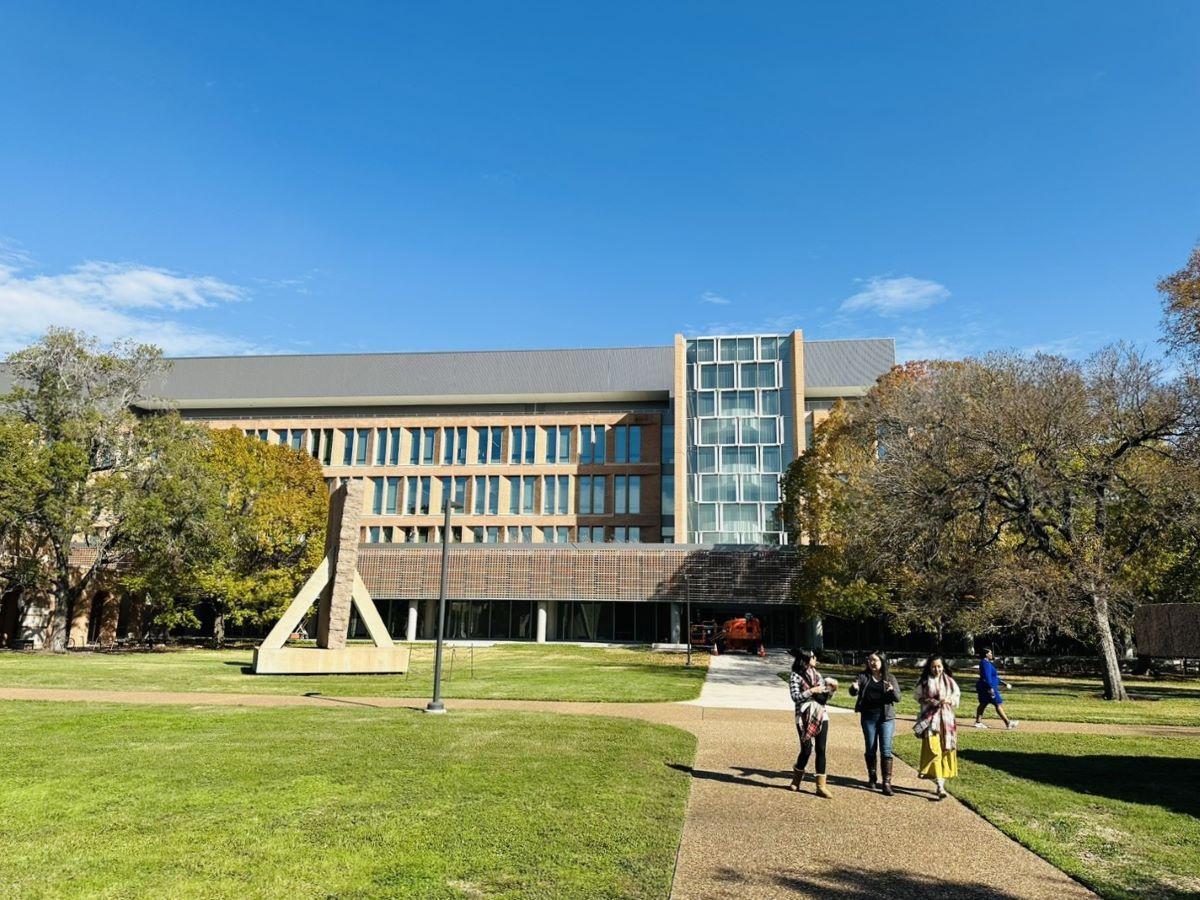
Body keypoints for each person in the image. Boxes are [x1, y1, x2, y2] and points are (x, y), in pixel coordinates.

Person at [848, 650, 902, 796]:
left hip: (886, 719)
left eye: (875, 660)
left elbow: (898, 698)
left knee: (886, 749)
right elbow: (853, 691)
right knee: (870, 748)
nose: (872, 663)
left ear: (882, 662)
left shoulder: (890, 678)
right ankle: (872, 777)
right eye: (870, 660)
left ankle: (886, 783)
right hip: (868, 718)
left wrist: (891, 690)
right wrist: (854, 688)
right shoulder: (863, 676)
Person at [788, 648, 836, 798]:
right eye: (813, 656)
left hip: (821, 714)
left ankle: (820, 786)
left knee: (821, 749)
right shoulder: (795, 676)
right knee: (806, 749)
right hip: (803, 716)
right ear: (807, 659)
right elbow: (795, 697)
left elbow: (823, 698)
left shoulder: (818, 675)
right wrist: (811, 691)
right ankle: (796, 779)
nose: (815, 658)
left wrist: (831, 691)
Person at [914, 655, 959, 799]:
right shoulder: (924, 681)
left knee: (945, 750)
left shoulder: (950, 682)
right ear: (929, 667)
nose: (936, 669)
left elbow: (957, 698)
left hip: (946, 721)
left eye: (939, 666)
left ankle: (941, 784)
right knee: (934, 751)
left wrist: (948, 701)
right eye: (933, 666)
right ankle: (939, 785)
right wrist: (927, 700)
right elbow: (917, 696)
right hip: (930, 720)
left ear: (943, 667)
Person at [974, 648, 1018, 730]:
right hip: (988, 687)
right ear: (986, 654)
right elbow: (987, 677)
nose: (991, 654)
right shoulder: (985, 663)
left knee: (983, 703)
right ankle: (1008, 723)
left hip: (984, 687)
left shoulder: (986, 663)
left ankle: (978, 722)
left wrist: (1002, 682)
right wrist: (990, 688)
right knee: (998, 703)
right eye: (990, 653)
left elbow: (993, 676)